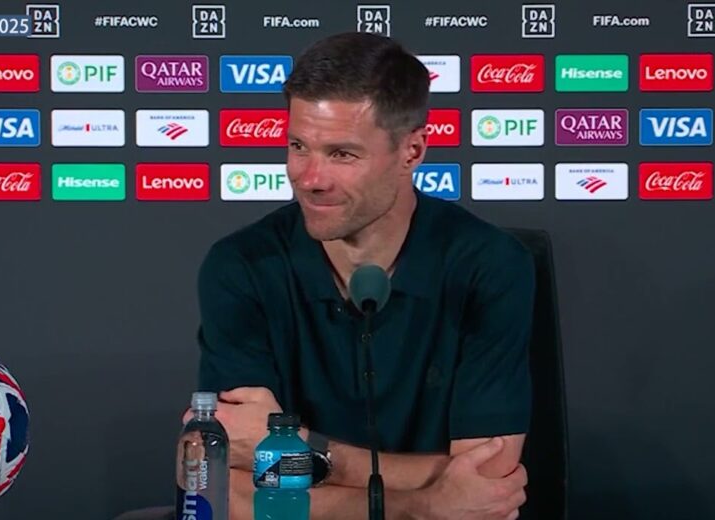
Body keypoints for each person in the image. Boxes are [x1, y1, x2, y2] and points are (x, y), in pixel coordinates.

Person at [194, 32, 537, 520]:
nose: (310, 178)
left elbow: (486, 483)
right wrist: (424, 504)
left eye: (342, 154)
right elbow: (233, 494)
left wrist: (302, 452)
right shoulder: (241, 266)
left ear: (412, 151)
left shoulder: (490, 265)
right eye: (298, 146)